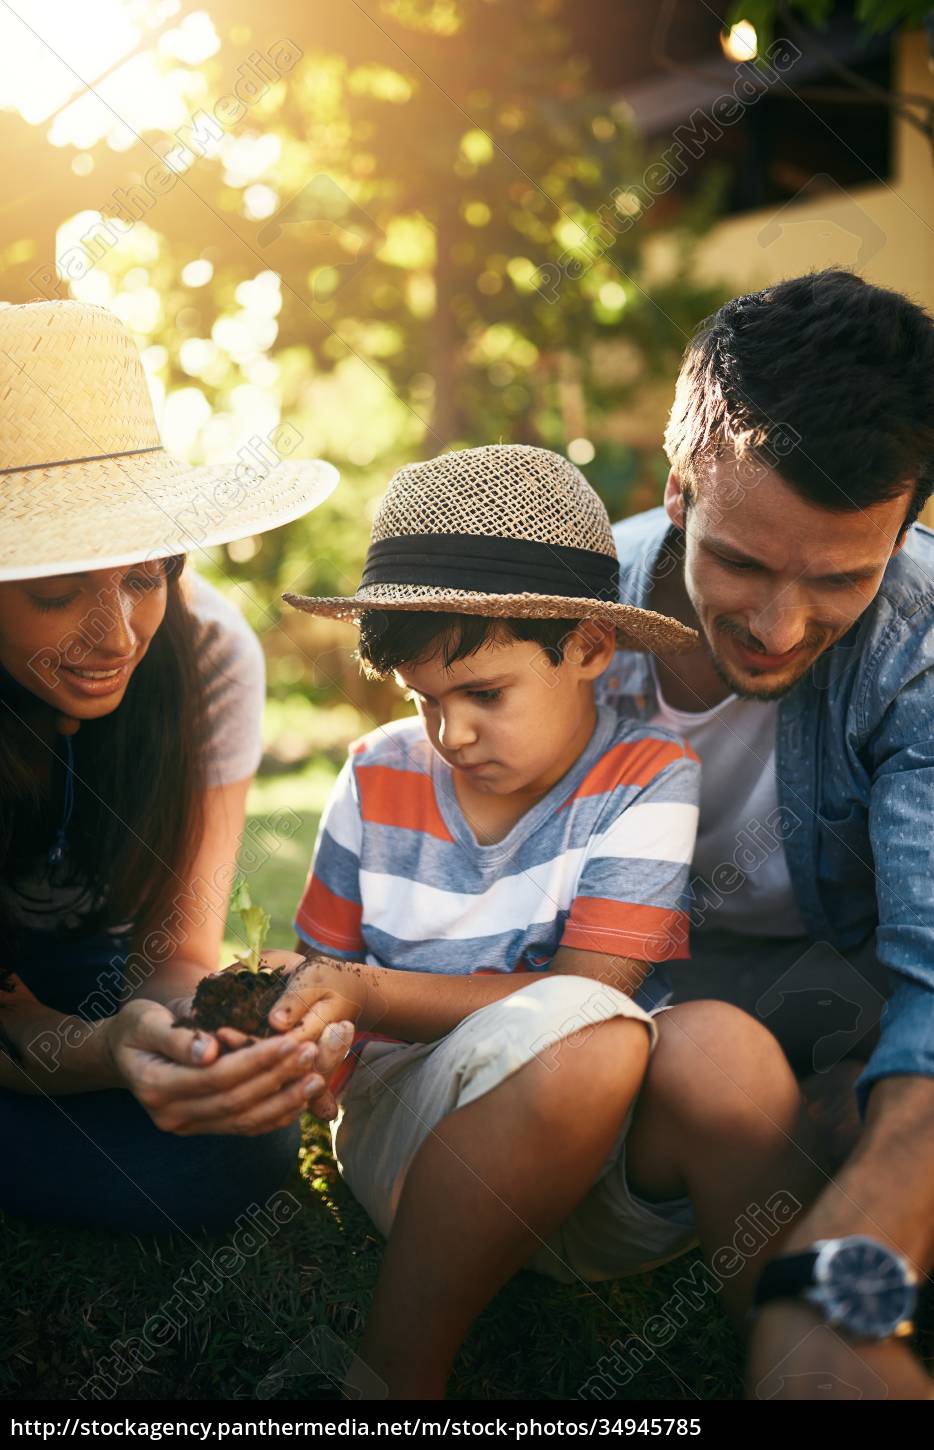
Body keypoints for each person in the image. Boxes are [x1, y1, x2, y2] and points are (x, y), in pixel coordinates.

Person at [248, 443, 828, 1400]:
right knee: (593, 1050)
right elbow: (329, 972)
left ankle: (800, 1351)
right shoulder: (376, 774)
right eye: (425, 701)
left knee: (719, 1044)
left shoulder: (647, 774)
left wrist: (369, 990)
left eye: (485, 694)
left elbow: (592, 993)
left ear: (592, 649)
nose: (452, 734)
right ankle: (394, 1376)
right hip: (425, 1144)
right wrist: (310, 1034)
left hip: (605, 1175)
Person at [599, 270, 934, 1398]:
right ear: (680, 487)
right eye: (739, 562)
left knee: (872, 1117)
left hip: (853, 987)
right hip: (640, 1004)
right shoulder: (570, 608)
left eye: (839, 577)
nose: (777, 625)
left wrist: (842, 1284)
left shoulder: (922, 634)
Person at [0, 298, 338, 1234]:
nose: (117, 638)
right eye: (57, 593)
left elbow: (173, 954)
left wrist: (167, 1042)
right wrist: (100, 1055)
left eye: (146, 577)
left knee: (235, 1151)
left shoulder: (211, 654)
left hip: (97, 979)